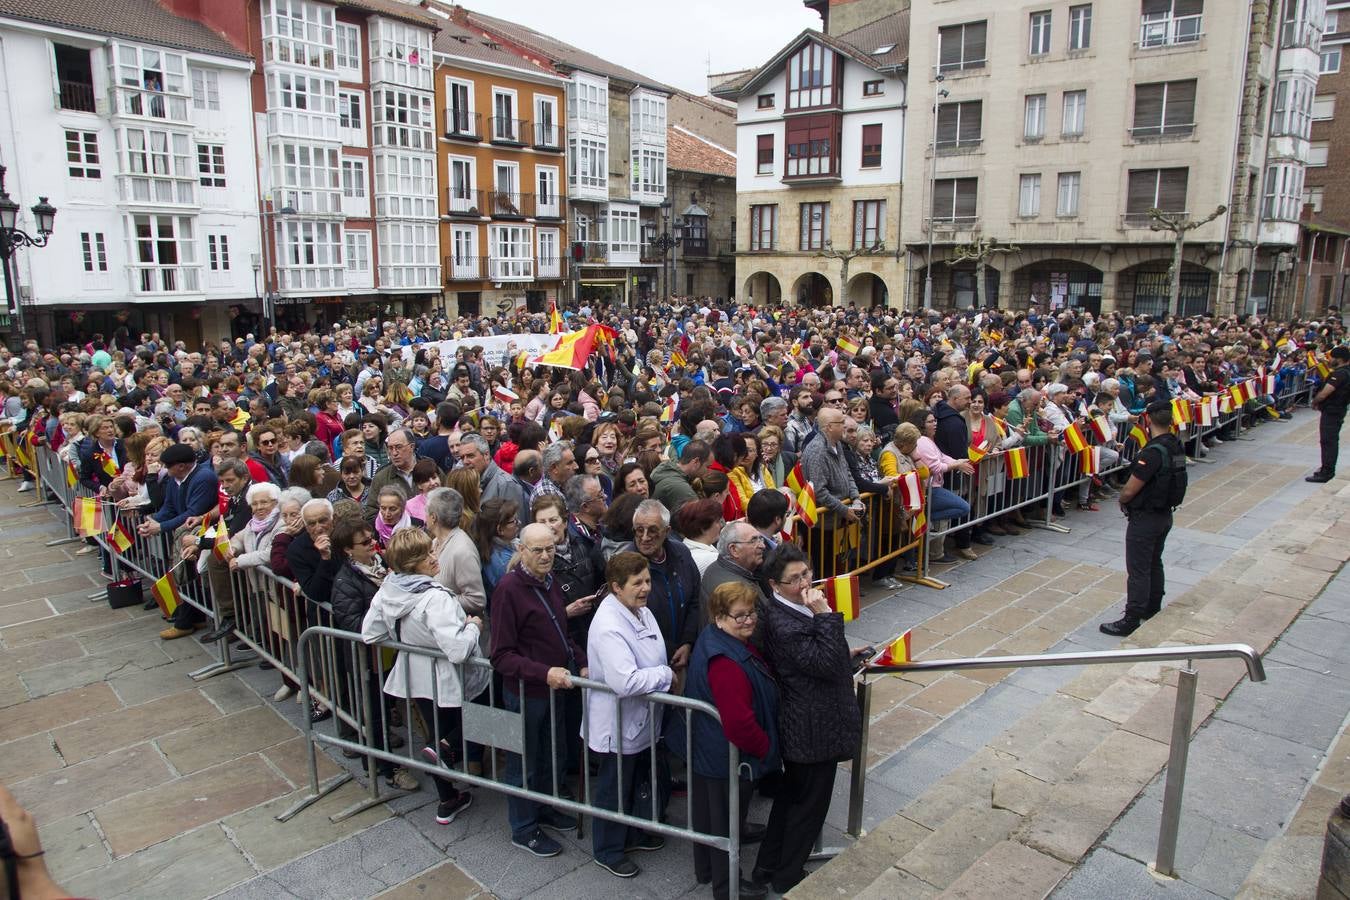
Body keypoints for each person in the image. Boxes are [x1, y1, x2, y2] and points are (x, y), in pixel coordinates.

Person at [754, 543, 865, 894]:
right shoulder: (783, 619)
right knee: (807, 808)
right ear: (774, 585)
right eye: (794, 579)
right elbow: (822, 663)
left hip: (811, 721)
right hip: (811, 726)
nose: (804, 584)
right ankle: (787, 875)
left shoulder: (790, 609)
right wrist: (825, 615)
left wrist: (844, 653)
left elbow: (825, 657)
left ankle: (766, 867)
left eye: (806, 574)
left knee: (791, 801)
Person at [362, 528, 488, 823]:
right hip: (446, 677)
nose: (434, 557)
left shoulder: (389, 589)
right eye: (427, 554)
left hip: (413, 675)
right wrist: (473, 627)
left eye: (433, 550)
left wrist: (405, 640)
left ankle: (448, 799)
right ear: (412, 563)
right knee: (475, 719)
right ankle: (448, 763)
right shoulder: (435, 598)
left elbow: (371, 632)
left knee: (436, 736)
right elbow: (457, 649)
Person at [490, 522, 587, 859]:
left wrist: (580, 660)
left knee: (550, 755)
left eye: (550, 548)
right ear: (521, 551)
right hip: (525, 693)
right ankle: (523, 828)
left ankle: (544, 808)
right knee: (523, 762)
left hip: (553, 688)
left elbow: (562, 632)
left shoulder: (549, 582)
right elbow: (500, 656)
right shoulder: (508, 589)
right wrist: (543, 672)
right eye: (538, 550)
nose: (546, 555)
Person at [683, 581, 779, 900]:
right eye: (740, 616)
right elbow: (739, 724)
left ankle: (708, 872)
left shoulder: (718, 639)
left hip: (711, 752)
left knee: (712, 818)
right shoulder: (725, 662)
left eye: (751, 613)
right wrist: (766, 748)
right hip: (725, 757)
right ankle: (729, 889)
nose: (748, 620)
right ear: (719, 617)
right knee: (724, 823)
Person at [584, 551, 673, 878]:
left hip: (640, 719)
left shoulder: (639, 610)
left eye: (647, 580)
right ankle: (607, 849)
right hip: (617, 723)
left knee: (633, 781)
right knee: (613, 788)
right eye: (637, 583)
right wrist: (664, 676)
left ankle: (631, 834)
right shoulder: (609, 625)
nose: (645, 588)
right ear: (616, 588)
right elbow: (625, 681)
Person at [1101, 401, 1187, 636]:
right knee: (1154, 562)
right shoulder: (1176, 445)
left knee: (1138, 569)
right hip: (1164, 514)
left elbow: (1130, 489)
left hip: (1146, 516)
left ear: (1148, 419)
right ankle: (1152, 606)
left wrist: (1123, 500)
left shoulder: (1153, 451)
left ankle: (1132, 617)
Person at [698, 521, 768, 625]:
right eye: (753, 541)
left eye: (760, 539)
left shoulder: (717, 567)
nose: (762, 546)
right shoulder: (738, 591)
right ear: (734, 549)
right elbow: (755, 634)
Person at [1307, 346, 1350, 483]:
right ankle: (1326, 468)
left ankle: (1327, 471)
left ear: (1339, 359)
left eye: (1331, 358)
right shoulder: (1345, 372)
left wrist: (1315, 401)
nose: (1329, 360)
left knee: (1328, 441)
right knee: (1330, 440)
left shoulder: (1340, 374)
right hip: (1338, 409)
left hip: (1332, 410)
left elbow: (1327, 391)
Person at [676, 497, 724, 575]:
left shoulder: (681, 550)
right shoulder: (712, 559)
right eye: (717, 521)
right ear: (703, 528)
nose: (721, 525)